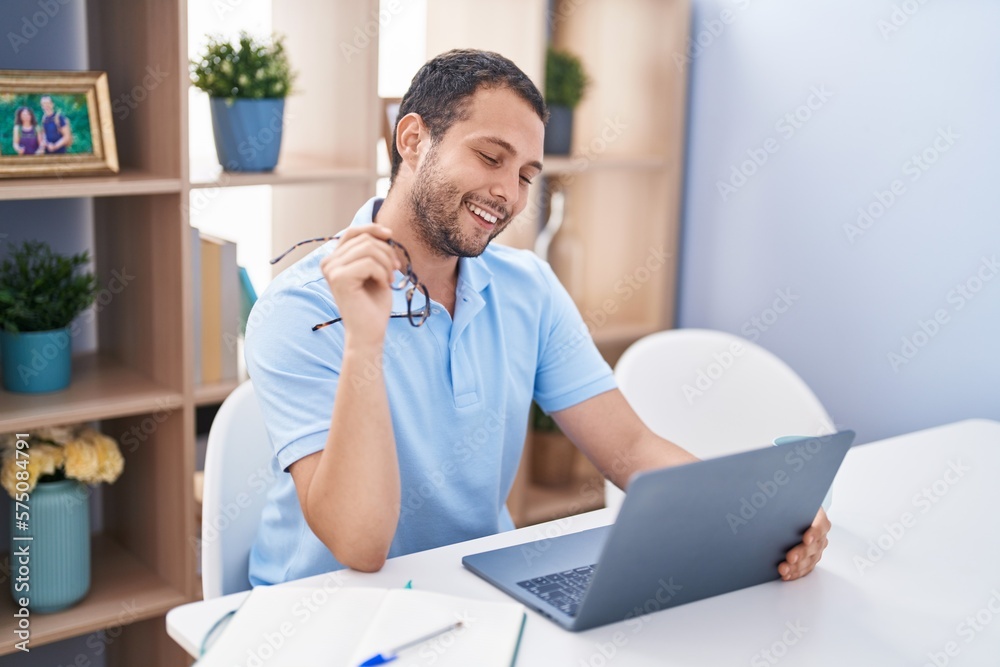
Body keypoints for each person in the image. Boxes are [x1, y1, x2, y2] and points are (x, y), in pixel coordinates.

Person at [245, 49, 831, 586]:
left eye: (526, 175)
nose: (507, 193)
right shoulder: (301, 309)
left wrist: (758, 515)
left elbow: (630, 449)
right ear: (413, 138)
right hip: (324, 612)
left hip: (473, 594)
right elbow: (361, 545)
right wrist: (364, 345)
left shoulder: (527, 288)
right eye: (490, 157)